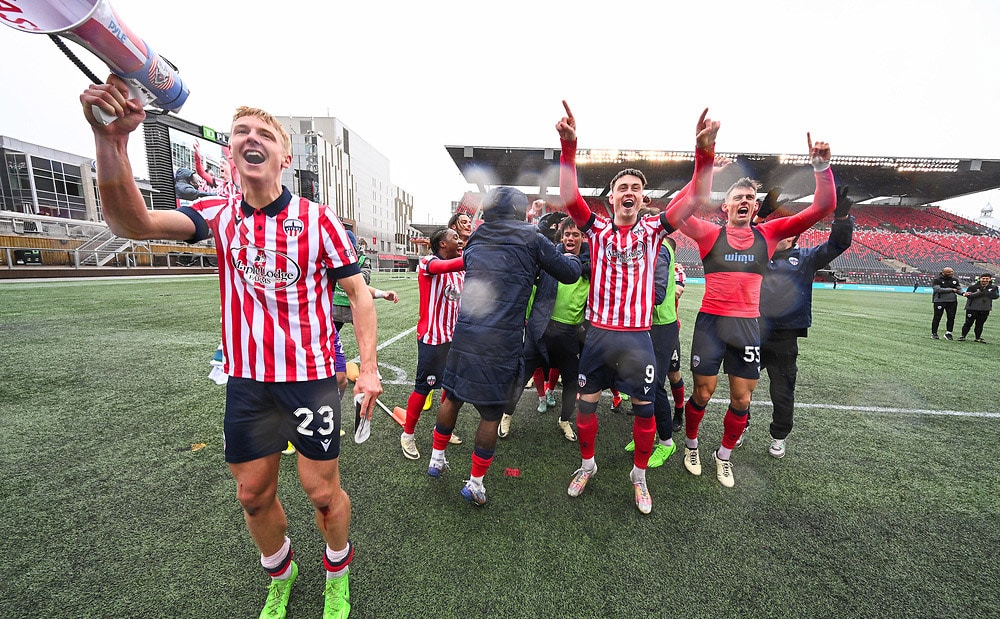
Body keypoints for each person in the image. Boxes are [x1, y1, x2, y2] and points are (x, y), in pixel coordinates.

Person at [80, 76, 383, 619]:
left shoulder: (318, 222)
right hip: (248, 384)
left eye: (263, 132)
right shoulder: (217, 215)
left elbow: (359, 296)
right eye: (240, 131)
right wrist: (111, 140)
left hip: (309, 379)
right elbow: (133, 222)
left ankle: (337, 569)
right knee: (252, 495)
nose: (251, 137)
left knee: (320, 491)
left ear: (283, 156)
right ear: (232, 151)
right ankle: (282, 572)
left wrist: (368, 370)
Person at [557, 100, 718, 514]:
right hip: (597, 335)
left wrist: (705, 153)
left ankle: (639, 476)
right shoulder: (595, 229)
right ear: (610, 198)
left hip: (637, 338)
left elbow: (697, 196)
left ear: (643, 197)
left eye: (635, 188)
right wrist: (568, 145)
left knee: (644, 408)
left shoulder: (654, 228)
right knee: (586, 403)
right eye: (622, 188)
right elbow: (569, 196)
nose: (629, 193)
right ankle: (587, 464)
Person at [676, 133, 836, 488]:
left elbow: (822, 208)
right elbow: (675, 211)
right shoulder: (707, 234)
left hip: (748, 325)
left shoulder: (771, 233)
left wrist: (822, 167)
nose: (745, 200)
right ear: (726, 207)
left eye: (750, 197)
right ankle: (690, 445)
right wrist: (702, 173)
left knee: (742, 397)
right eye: (738, 197)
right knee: (702, 392)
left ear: (755, 207)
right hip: (711, 324)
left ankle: (724, 456)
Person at [427, 186, 581, 507]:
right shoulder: (532, 239)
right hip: (501, 341)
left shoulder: (477, 238)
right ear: (518, 210)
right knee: (492, 412)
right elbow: (568, 273)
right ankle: (475, 483)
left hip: (466, 334)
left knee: (452, 397)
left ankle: (437, 460)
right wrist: (568, 255)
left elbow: (501, 250)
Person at [747, 185, 855, 459]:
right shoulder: (755, 256)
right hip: (752, 331)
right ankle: (739, 427)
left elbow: (837, 245)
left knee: (782, 391)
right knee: (743, 384)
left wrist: (841, 219)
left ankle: (778, 436)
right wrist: (760, 215)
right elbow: (741, 237)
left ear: (795, 236)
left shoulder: (806, 258)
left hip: (785, 337)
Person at [498, 214, 590, 442]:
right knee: (521, 376)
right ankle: (506, 415)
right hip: (541, 329)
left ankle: (564, 420)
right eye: (567, 234)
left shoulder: (590, 266)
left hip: (570, 333)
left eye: (575, 234)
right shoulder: (550, 258)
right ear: (561, 236)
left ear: (582, 237)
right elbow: (531, 243)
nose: (570, 237)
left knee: (571, 382)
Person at [399, 228, 466, 459]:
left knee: (450, 386)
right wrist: (472, 257)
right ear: (441, 244)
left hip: (454, 339)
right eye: (454, 238)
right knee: (424, 386)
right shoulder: (429, 262)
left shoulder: (460, 270)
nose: (459, 241)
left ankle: (442, 429)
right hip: (432, 339)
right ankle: (408, 434)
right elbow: (443, 267)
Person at [958, 273, 999, 342]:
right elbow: (969, 296)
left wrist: (993, 291)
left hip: (985, 308)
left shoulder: (993, 287)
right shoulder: (972, 287)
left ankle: (978, 338)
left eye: (987, 279)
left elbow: (995, 297)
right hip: (972, 308)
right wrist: (979, 292)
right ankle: (963, 336)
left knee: (980, 324)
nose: (985, 280)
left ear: (990, 279)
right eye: (983, 278)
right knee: (968, 323)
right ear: (980, 279)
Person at [931, 267, 963, 340]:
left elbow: (958, 289)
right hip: (939, 301)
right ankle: (934, 333)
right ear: (943, 273)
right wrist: (951, 290)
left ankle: (948, 333)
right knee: (937, 317)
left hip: (952, 301)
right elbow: (937, 289)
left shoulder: (955, 280)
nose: (951, 273)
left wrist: (963, 293)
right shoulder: (937, 280)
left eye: (952, 272)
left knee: (951, 317)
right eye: (949, 272)